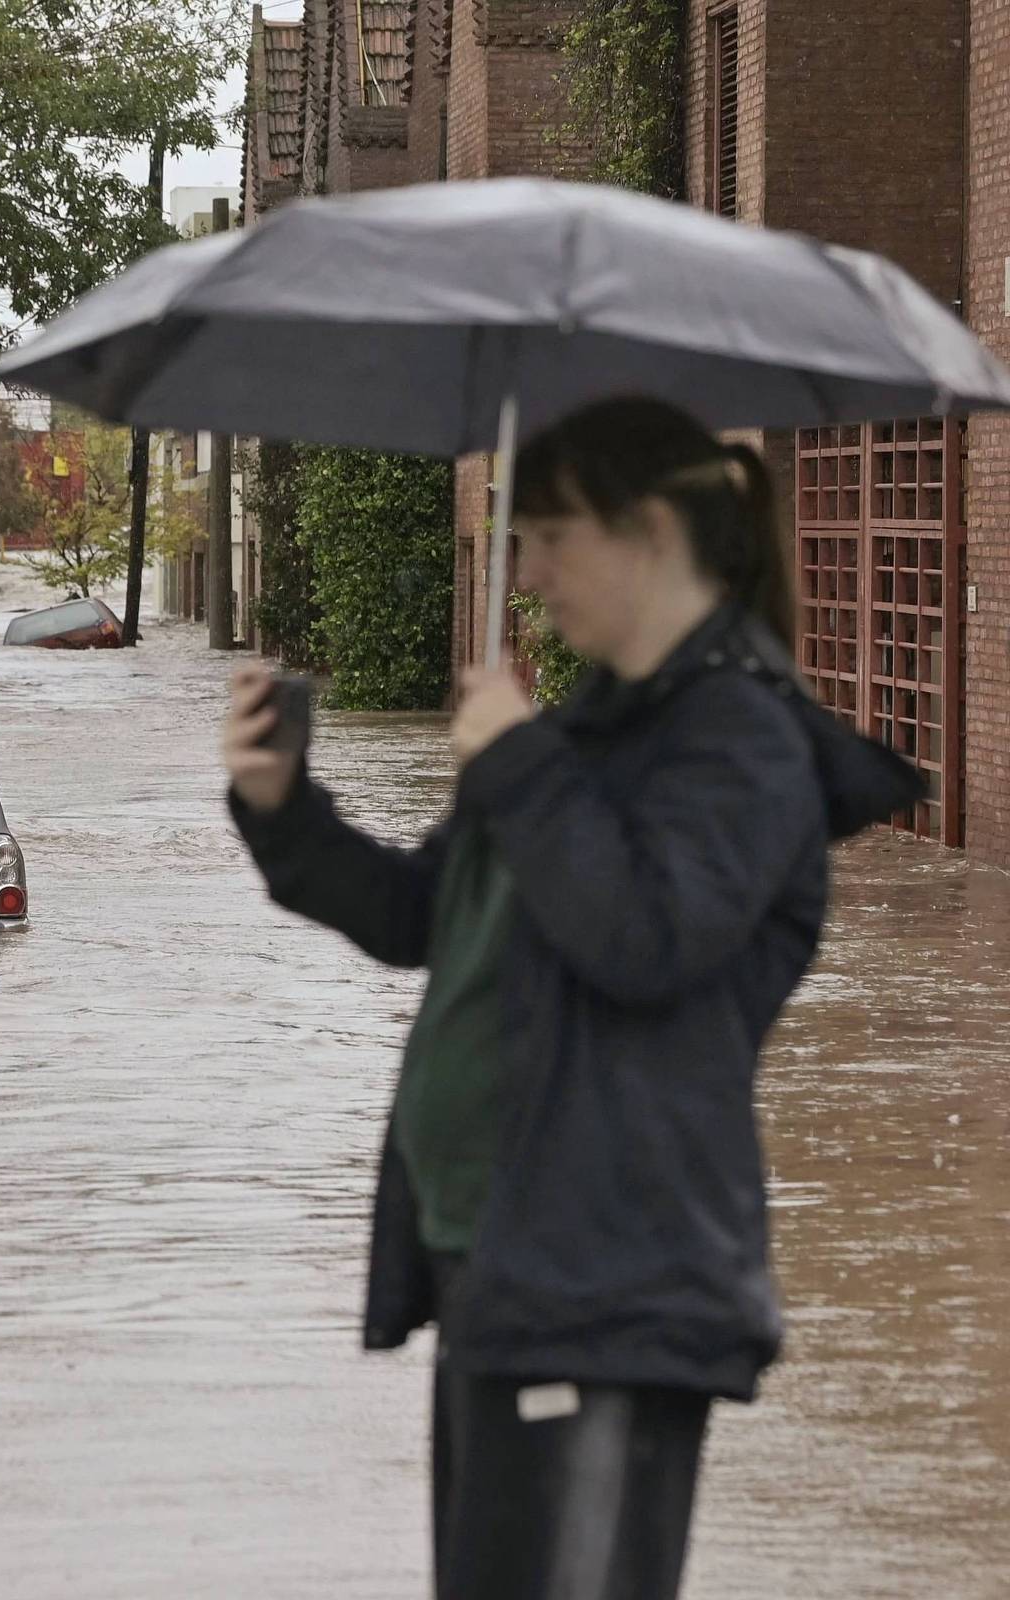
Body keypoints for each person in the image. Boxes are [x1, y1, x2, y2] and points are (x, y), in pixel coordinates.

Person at [222, 398, 920, 1600]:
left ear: (648, 532)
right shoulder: (583, 737)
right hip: (507, 1269)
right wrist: (284, 808)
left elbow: (646, 940)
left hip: (619, 1283)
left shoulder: (742, 743)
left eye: (548, 535)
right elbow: (416, 916)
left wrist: (517, 760)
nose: (528, 573)